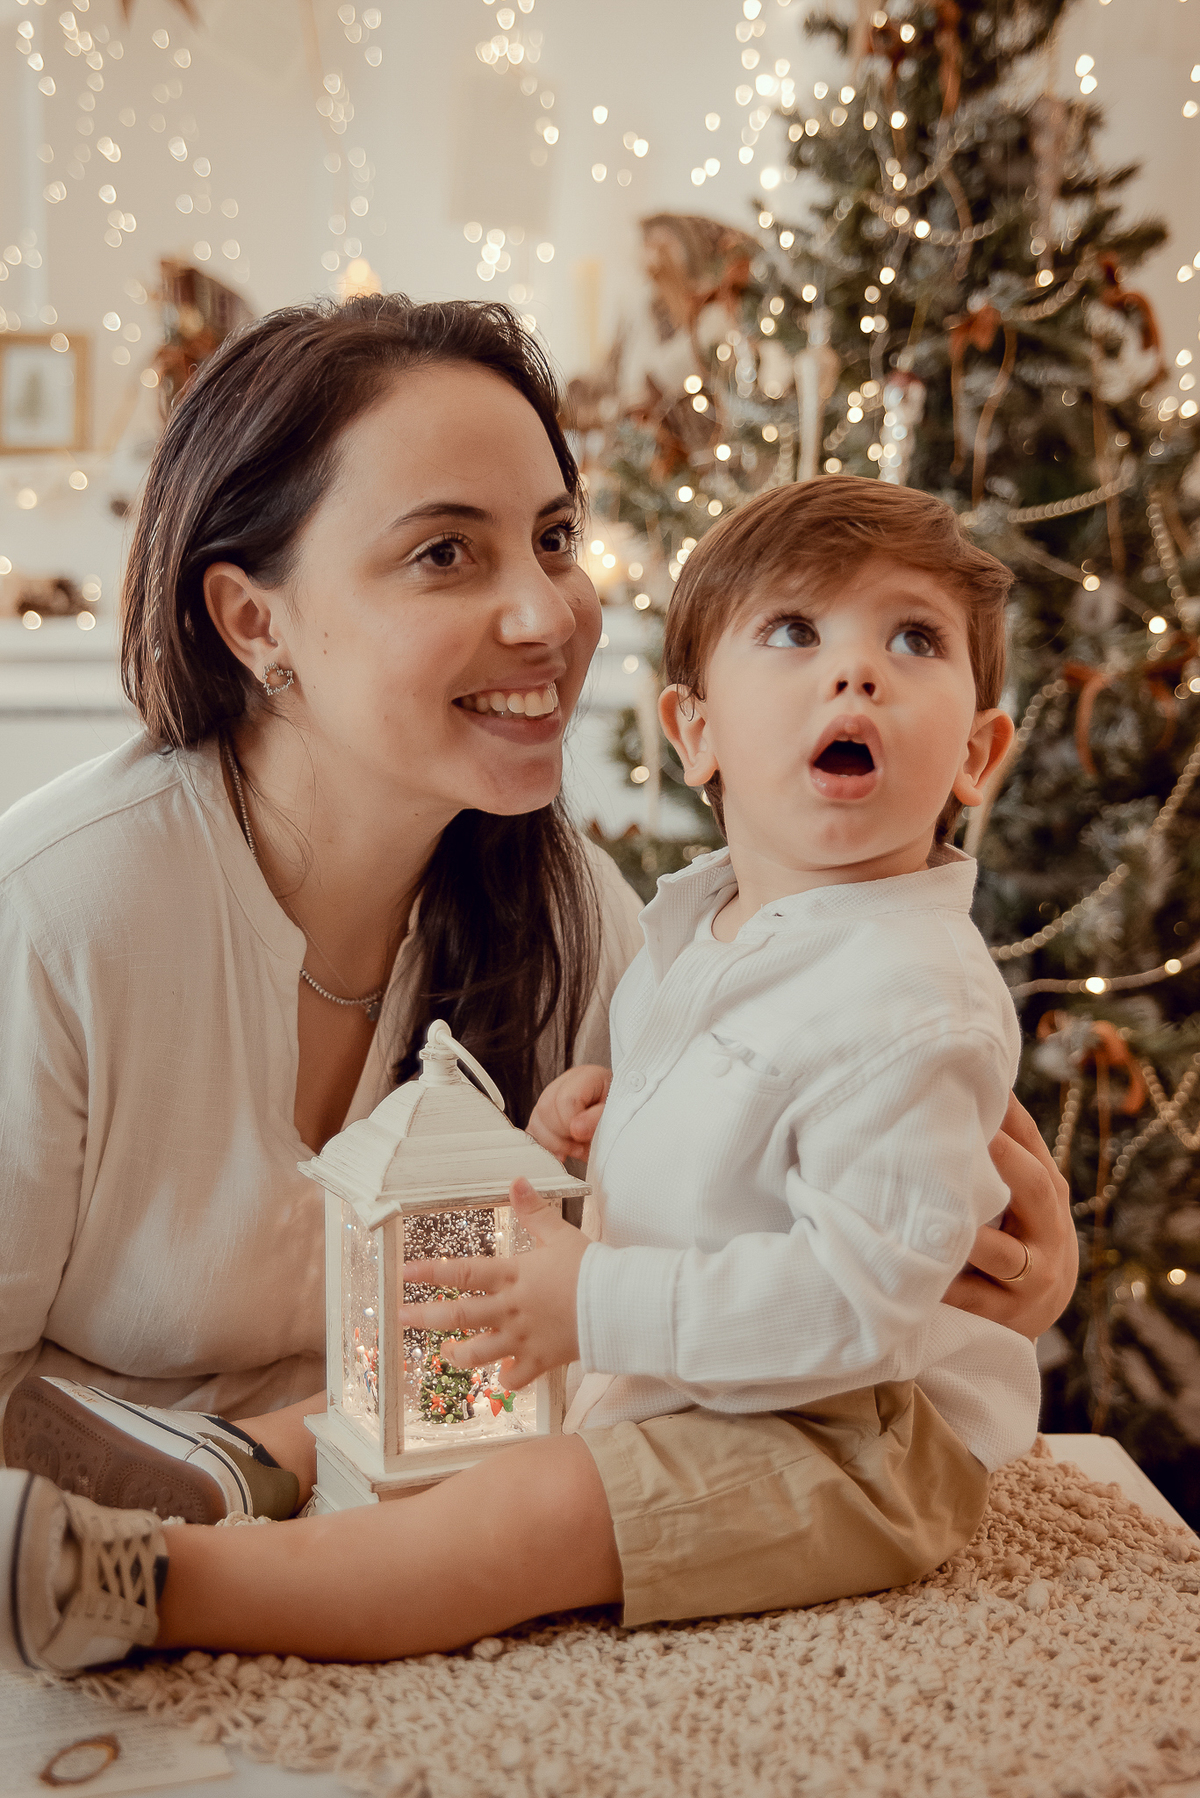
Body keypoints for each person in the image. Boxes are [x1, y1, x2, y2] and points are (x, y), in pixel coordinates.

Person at [2, 473, 1077, 1675]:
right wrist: (596, 1135)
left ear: (979, 752)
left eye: (914, 639)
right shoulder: (703, 923)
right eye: (793, 631)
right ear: (695, 734)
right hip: (684, 1355)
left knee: (524, 1512)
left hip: (846, 1432)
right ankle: (241, 1456)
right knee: (438, 1367)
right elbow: (738, 1148)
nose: (856, 672)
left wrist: (596, 1302)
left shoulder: (910, 992)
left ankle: (156, 1583)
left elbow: (856, 1302)